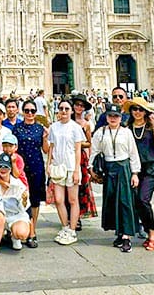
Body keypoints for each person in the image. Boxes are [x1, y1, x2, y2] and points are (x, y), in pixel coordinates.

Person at [90, 103, 140, 253]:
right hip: (109, 168)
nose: (113, 118)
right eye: (110, 116)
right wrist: (90, 169)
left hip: (123, 168)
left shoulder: (126, 133)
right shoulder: (101, 132)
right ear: (106, 117)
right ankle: (119, 232)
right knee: (112, 200)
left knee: (125, 201)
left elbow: (133, 153)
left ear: (120, 117)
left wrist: (135, 173)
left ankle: (126, 236)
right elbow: (94, 150)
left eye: (116, 116)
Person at [127, 97, 154, 251]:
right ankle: (146, 230)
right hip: (135, 168)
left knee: (143, 199)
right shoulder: (127, 127)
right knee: (137, 201)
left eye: (141, 109)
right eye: (134, 109)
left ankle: (152, 232)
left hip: (152, 166)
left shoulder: (152, 126)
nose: (137, 112)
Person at [47, 97, 84, 246]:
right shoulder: (54, 127)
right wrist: (48, 165)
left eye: (66, 109)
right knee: (58, 200)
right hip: (57, 167)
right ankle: (64, 226)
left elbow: (78, 150)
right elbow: (51, 147)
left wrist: (77, 170)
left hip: (71, 167)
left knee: (73, 200)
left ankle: (72, 230)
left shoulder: (75, 127)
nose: (63, 111)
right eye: (61, 108)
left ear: (71, 111)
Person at [13, 99, 49, 247]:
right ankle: (22, 227)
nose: (29, 113)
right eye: (27, 110)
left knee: (34, 199)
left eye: (32, 111)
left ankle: (32, 231)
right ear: (22, 111)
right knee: (20, 197)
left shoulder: (40, 129)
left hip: (36, 166)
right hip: (21, 168)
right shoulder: (16, 128)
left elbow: (45, 150)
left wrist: (46, 138)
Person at [0, 152, 31, 251]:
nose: (3, 169)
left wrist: (24, 200)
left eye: (6, 167)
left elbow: (24, 208)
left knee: (22, 233)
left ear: (10, 169)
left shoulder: (18, 184)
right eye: (0, 166)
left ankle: (14, 236)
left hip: (15, 216)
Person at [71, 93, 97, 224]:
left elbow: (89, 142)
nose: (79, 108)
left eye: (81, 106)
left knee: (80, 186)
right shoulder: (66, 121)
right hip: (67, 156)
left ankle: (78, 216)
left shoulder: (86, 124)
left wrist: (77, 143)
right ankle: (70, 214)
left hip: (80, 157)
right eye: (77, 105)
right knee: (67, 186)